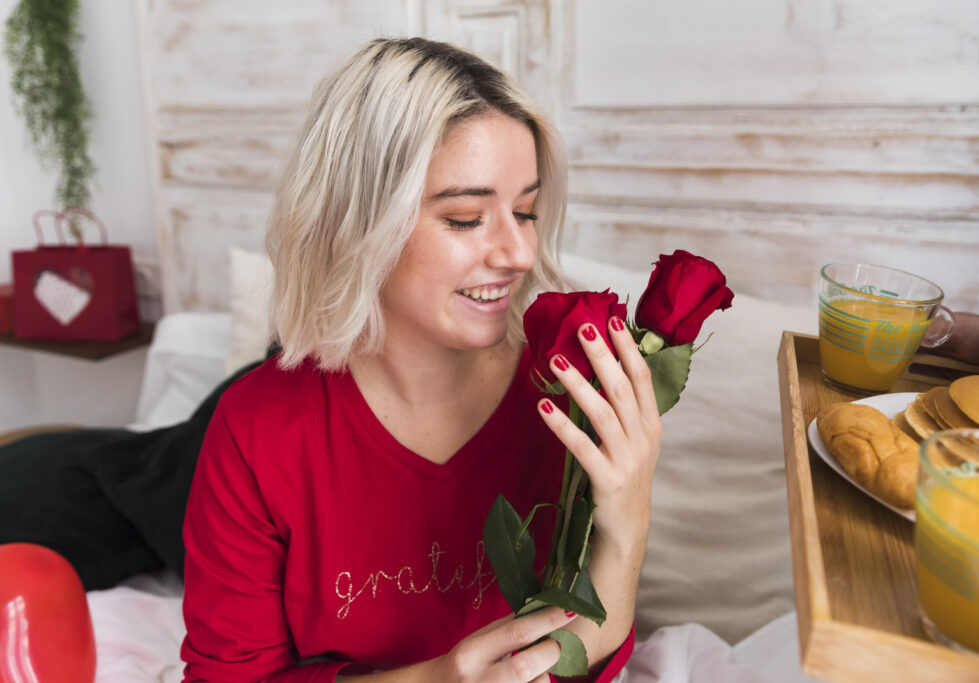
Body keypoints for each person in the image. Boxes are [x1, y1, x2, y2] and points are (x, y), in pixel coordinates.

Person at [180, 37, 660, 682]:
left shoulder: (564, 398)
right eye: (465, 218)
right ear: (356, 222)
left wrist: (628, 521)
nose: (518, 253)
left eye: (526, 210)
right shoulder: (255, 426)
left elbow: (582, 659)